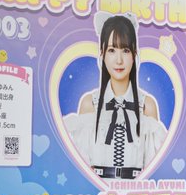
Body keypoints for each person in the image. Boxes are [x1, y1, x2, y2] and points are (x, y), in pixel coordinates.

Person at [64, 14, 167, 180]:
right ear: (102, 54)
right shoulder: (90, 104)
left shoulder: (147, 105)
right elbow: (81, 166)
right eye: (112, 50)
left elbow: (153, 167)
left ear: (134, 54)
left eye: (125, 50)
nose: (119, 60)